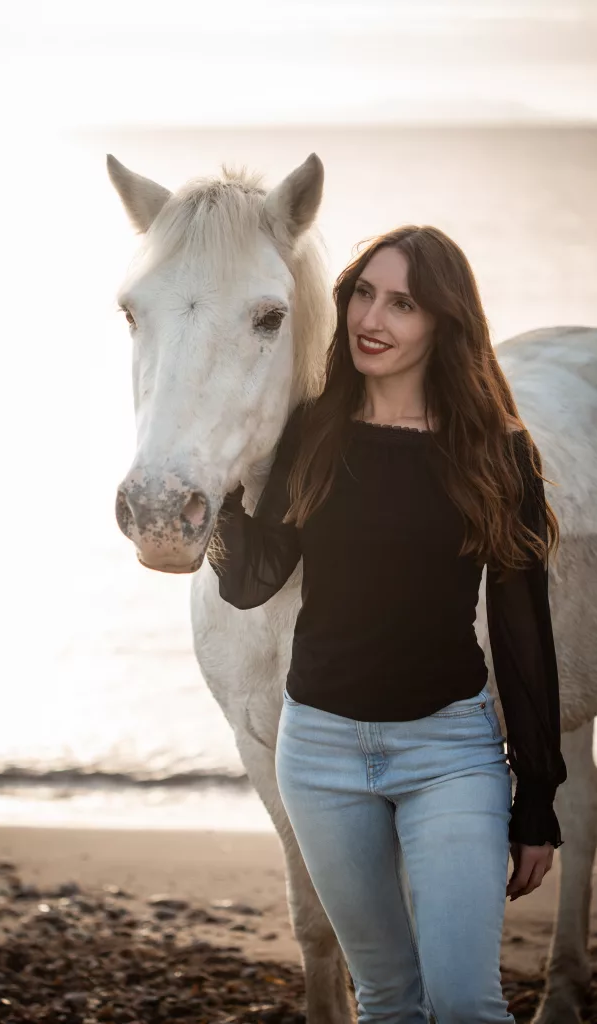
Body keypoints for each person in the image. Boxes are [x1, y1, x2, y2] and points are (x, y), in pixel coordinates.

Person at [207, 225, 567, 1023]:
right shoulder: (313, 432)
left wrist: (535, 797)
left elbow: (521, 633)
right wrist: (217, 490)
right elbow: (250, 581)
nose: (372, 317)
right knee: (386, 1001)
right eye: (363, 293)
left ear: (444, 322)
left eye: (402, 303)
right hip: (321, 755)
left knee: (465, 1002)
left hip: (448, 755)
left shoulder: (496, 453)